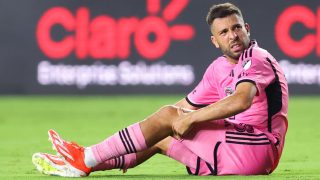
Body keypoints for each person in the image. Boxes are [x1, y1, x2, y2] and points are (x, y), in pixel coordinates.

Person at [32, 2, 288, 177]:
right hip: (235, 150)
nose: (232, 35)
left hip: (259, 147)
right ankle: (82, 165)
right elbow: (181, 109)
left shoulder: (256, 57)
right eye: (224, 32)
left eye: (236, 28)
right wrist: (156, 125)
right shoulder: (218, 69)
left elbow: (241, 100)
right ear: (215, 40)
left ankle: (85, 157)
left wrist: (186, 118)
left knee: (169, 119)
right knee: (162, 133)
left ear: (247, 29)